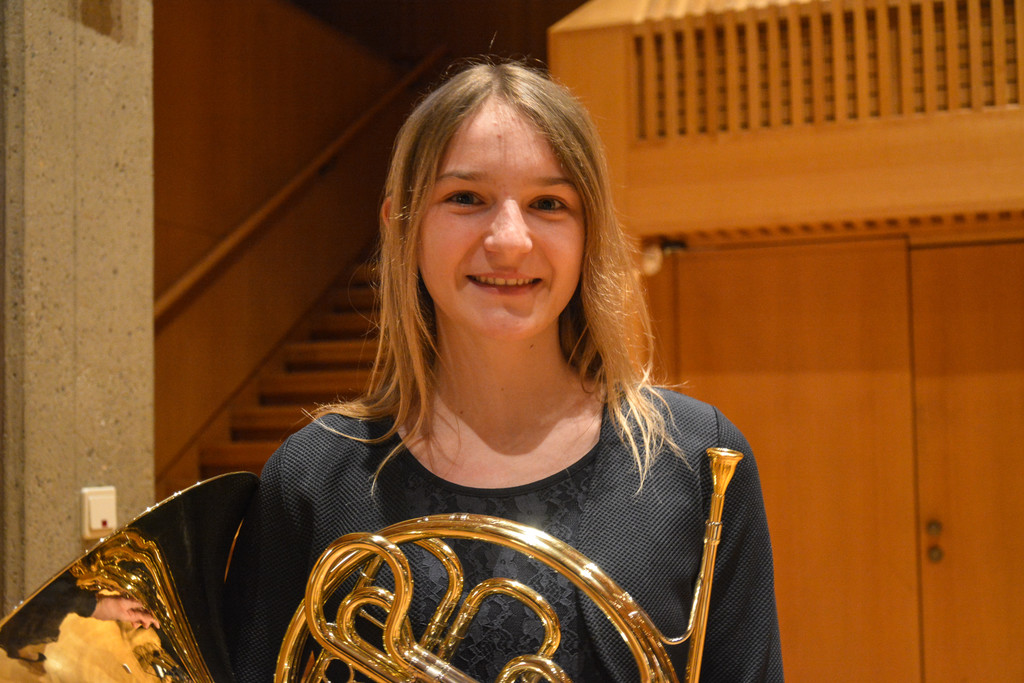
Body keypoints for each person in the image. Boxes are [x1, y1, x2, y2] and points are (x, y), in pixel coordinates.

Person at [223, 60, 783, 682]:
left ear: (589, 233)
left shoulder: (698, 460)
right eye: (466, 198)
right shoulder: (312, 476)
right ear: (399, 224)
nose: (510, 240)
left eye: (549, 203)